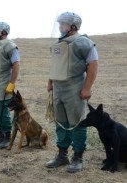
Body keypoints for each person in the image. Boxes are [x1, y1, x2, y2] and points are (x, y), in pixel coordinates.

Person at [45, 12, 98, 173]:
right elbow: (55, 64)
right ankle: (62, 155)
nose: (60, 27)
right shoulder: (59, 43)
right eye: (59, 24)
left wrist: (87, 88)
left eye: (63, 24)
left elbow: (93, 65)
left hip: (75, 89)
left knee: (76, 123)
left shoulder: (84, 43)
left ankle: (78, 157)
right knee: (60, 122)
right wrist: (50, 81)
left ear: (73, 26)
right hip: (58, 89)